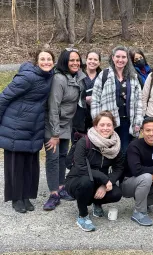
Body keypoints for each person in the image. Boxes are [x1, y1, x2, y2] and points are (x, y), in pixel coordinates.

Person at [0, 50, 54, 213]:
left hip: (33, 127)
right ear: (36, 62)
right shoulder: (27, 77)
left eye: (49, 59)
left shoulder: (50, 76)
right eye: (42, 59)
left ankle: (26, 196)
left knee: (30, 165)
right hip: (16, 125)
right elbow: (4, 97)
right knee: (16, 164)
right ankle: (16, 198)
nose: (46, 62)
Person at [65, 111, 124, 232]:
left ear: (113, 126)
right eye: (102, 125)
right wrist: (104, 178)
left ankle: (96, 202)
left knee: (116, 193)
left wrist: (105, 184)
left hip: (99, 182)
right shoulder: (84, 142)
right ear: (96, 126)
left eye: (109, 125)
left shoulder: (115, 145)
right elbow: (80, 167)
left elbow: (119, 168)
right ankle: (82, 216)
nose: (105, 128)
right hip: (77, 179)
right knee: (86, 182)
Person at [43, 48, 86, 211]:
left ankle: (61, 187)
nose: (75, 63)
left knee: (62, 156)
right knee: (53, 158)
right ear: (64, 62)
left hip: (67, 122)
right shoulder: (59, 79)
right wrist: (54, 134)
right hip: (53, 123)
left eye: (77, 60)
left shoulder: (77, 77)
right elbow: (53, 106)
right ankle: (53, 194)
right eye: (71, 60)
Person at [91, 46, 143, 154]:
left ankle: (124, 171)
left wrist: (138, 121)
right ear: (113, 58)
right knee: (109, 152)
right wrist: (97, 121)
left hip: (127, 122)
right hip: (109, 123)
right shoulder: (104, 75)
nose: (120, 60)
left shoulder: (133, 77)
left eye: (123, 57)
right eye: (118, 56)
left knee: (125, 153)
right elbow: (95, 100)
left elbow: (139, 102)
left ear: (127, 59)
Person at [72, 51, 102, 137]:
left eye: (95, 59)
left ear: (99, 62)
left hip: (97, 115)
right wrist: (84, 99)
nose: (92, 61)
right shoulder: (77, 75)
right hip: (79, 116)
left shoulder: (103, 76)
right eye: (90, 59)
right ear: (86, 60)